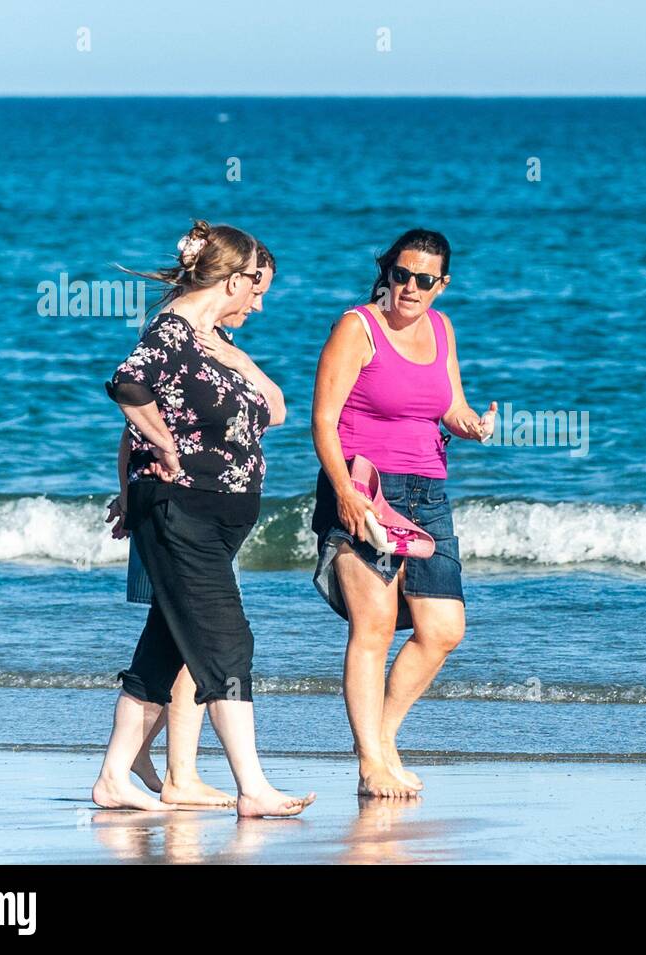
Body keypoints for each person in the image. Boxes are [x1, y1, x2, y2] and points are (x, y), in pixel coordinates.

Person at [92, 220, 312, 817]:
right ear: (234, 278)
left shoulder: (209, 341)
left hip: (212, 519)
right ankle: (253, 788)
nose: (258, 304)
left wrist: (234, 356)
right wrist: (161, 449)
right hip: (180, 511)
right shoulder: (169, 332)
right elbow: (127, 387)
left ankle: (114, 779)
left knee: (165, 651)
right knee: (226, 643)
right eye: (256, 290)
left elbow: (276, 410)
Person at [311, 229, 495, 798]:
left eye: (423, 279)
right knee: (374, 628)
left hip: (429, 493)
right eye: (401, 274)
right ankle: (371, 765)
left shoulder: (442, 329)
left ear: (442, 284)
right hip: (365, 486)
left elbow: (451, 406)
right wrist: (344, 492)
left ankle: (384, 740)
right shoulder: (357, 327)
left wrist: (472, 424)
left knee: (443, 629)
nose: (409, 288)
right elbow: (322, 418)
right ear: (387, 272)